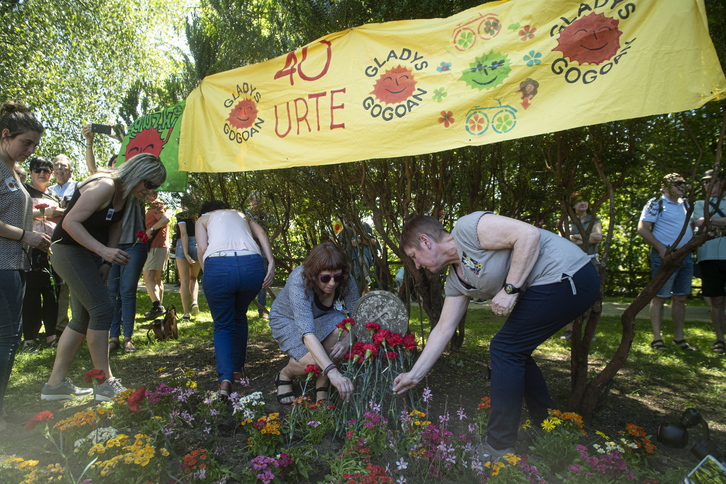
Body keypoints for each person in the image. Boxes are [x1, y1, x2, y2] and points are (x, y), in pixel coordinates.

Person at [392, 213, 599, 461]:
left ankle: (498, 448)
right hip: (553, 284)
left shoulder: (468, 228)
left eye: (414, 257)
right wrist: (414, 375)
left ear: (426, 241)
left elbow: (528, 234)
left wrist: (511, 288)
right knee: (513, 350)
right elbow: (443, 329)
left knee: (505, 348)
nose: (416, 266)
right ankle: (547, 424)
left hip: (569, 275)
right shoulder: (456, 281)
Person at [41, 153, 166, 401]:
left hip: (88, 254)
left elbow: (115, 228)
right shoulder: (104, 185)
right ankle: (105, 383)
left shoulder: (125, 193)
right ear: (137, 174)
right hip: (68, 251)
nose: (150, 192)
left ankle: (54, 386)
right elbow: (70, 222)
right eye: (149, 184)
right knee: (102, 309)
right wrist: (102, 251)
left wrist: (107, 262)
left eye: (155, 187)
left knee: (82, 317)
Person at [0, 100, 51, 431]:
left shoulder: (11, 171)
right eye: (25, 142)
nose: (30, 150)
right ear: (6, 135)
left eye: (34, 144)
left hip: (13, 264)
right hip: (4, 263)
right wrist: (26, 236)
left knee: (9, 337)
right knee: (7, 338)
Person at [196, 200, 274, 397]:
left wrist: (208, 274)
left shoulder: (203, 219)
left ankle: (225, 379)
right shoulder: (241, 216)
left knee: (223, 324)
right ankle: (238, 370)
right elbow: (262, 234)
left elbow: (202, 249)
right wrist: (271, 262)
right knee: (239, 315)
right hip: (252, 266)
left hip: (219, 266)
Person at [269, 242, 358, 405]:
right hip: (288, 320)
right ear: (313, 274)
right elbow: (307, 332)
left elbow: (356, 317)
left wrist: (347, 341)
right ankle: (285, 374)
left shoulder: (346, 279)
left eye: (337, 277)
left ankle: (321, 384)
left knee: (344, 331)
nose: (332, 283)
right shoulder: (299, 279)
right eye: (325, 278)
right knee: (311, 362)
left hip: (326, 318)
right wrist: (333, 371)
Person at [637, 173, 696, 351]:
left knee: (680, 298)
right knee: (660, 297)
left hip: (685, 256)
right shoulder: (656, 203)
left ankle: (679, 339)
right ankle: (657, 339)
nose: (682, 186)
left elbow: (693, 226)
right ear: (665, 186)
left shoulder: (686, 204)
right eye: (677, 183)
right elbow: (642, 228)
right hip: (665, 256)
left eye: (683, 183)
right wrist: (662, 249)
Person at [21, 156, 65, 351]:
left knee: (52, 294)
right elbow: (18, 216)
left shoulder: (54, 196)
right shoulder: (23, 192)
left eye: (47, 170)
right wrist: (47, 214)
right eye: (38, 169)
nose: (42, 173)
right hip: (29, 250)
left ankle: (51, 336)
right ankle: (29, 339)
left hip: (52, 250)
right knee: (31, 295)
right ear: (30, 172)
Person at [692, 169, 726, 354]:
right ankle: (720, 339)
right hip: (709, 256)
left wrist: (710, 219)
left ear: (721, 182)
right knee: (717, 300)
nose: (707, 185)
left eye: (711, 181)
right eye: (704, 182)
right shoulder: (698, 204)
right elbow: (697, 223)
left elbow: (705, 222)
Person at [561, 193, 602, 340]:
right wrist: (585, 238)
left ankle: (588, 331)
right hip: (571, 263)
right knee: (570, 294)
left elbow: (597, 237)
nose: (583, 203)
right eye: (579, 202)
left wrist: (574, 238)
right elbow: (563, 238)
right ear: (572, 205)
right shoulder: (568, 220)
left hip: (591, 262)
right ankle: (569, 330)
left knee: (591, 295)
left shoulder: (594, 219)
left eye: (585, 200)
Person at [142, 199, 170, 322]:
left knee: (148, 277)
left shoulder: (156, 205)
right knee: (156, 279)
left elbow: (165, 219)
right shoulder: (154, 206)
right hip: (160, 246)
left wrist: (150, 230)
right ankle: (158, 306)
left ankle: (157, 306)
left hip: (156, 246)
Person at [174, 207, 201, 321]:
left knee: (184, 280)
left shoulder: (181, 215)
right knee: (194, 278)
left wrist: (185, 253)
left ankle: (186, 313)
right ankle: (194, 302)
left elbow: (183, 234)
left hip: (182, 245)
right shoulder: (200, 215)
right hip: (197, 244)